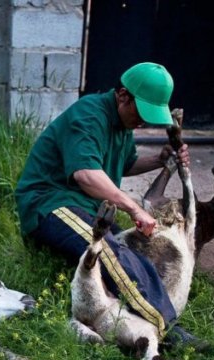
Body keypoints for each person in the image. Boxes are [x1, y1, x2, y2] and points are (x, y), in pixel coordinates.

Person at [15, 61, 200, 345]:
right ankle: (165, 325)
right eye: (142, 112)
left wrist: (161, 160)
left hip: (84, 206)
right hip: (50, 203)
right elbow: (87, 175)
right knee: (110, 252)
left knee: (125, 255)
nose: (144, 122)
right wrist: (134, 208)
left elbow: (125, 163)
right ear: (123, 95)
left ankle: (132, 316)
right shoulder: (89, 115)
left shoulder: (121, 123)